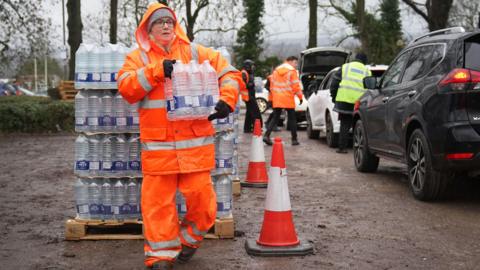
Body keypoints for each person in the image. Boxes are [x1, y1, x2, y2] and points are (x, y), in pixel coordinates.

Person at [117, 3, 244, 269]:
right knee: (157, 206)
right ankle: (161, 256)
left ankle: (188, 240)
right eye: (159, 22)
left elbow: (230, 73)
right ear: (147, 30)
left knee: (205, 205)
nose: (165, 25)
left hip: (195, 147)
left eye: (169, 22)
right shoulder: (137, 58)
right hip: (158, 148)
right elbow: (127, 88)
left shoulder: (195, 52)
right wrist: (155, 71)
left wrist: (227, 100)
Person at [330, 52, 371, 154]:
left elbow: (334, 83)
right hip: (360, 102)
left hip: (344, 100)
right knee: (359, 124)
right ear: (365, 61)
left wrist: (334, 97)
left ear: (355, 58)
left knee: (344, 124)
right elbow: (370, 88)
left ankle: (342, 148)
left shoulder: (345, 67)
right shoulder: (367, 71)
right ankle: (359, 147)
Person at [263, 56, 303, 146]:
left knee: (275, 117)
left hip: (277, 97)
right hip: (288, 97)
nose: (296, 65)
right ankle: (294, 139)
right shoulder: (292, 71)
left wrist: (272, 98)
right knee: (292, 118)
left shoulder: (276, 70)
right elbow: (296, 86)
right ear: (290, 62)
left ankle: (266, 135)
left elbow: (272, 85)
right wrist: (300, 97)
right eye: (295, 63)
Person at [241, 59, 262, 133]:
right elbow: (242, 85)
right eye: (251, 65)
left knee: (249, 113)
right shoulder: (244, 73)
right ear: (248, 66)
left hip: (250, 95)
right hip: (248, 96)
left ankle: (247, 128)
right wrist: (252, 84)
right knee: (255, 112)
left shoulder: (249, 73)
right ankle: (257, 127)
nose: (253, 67)